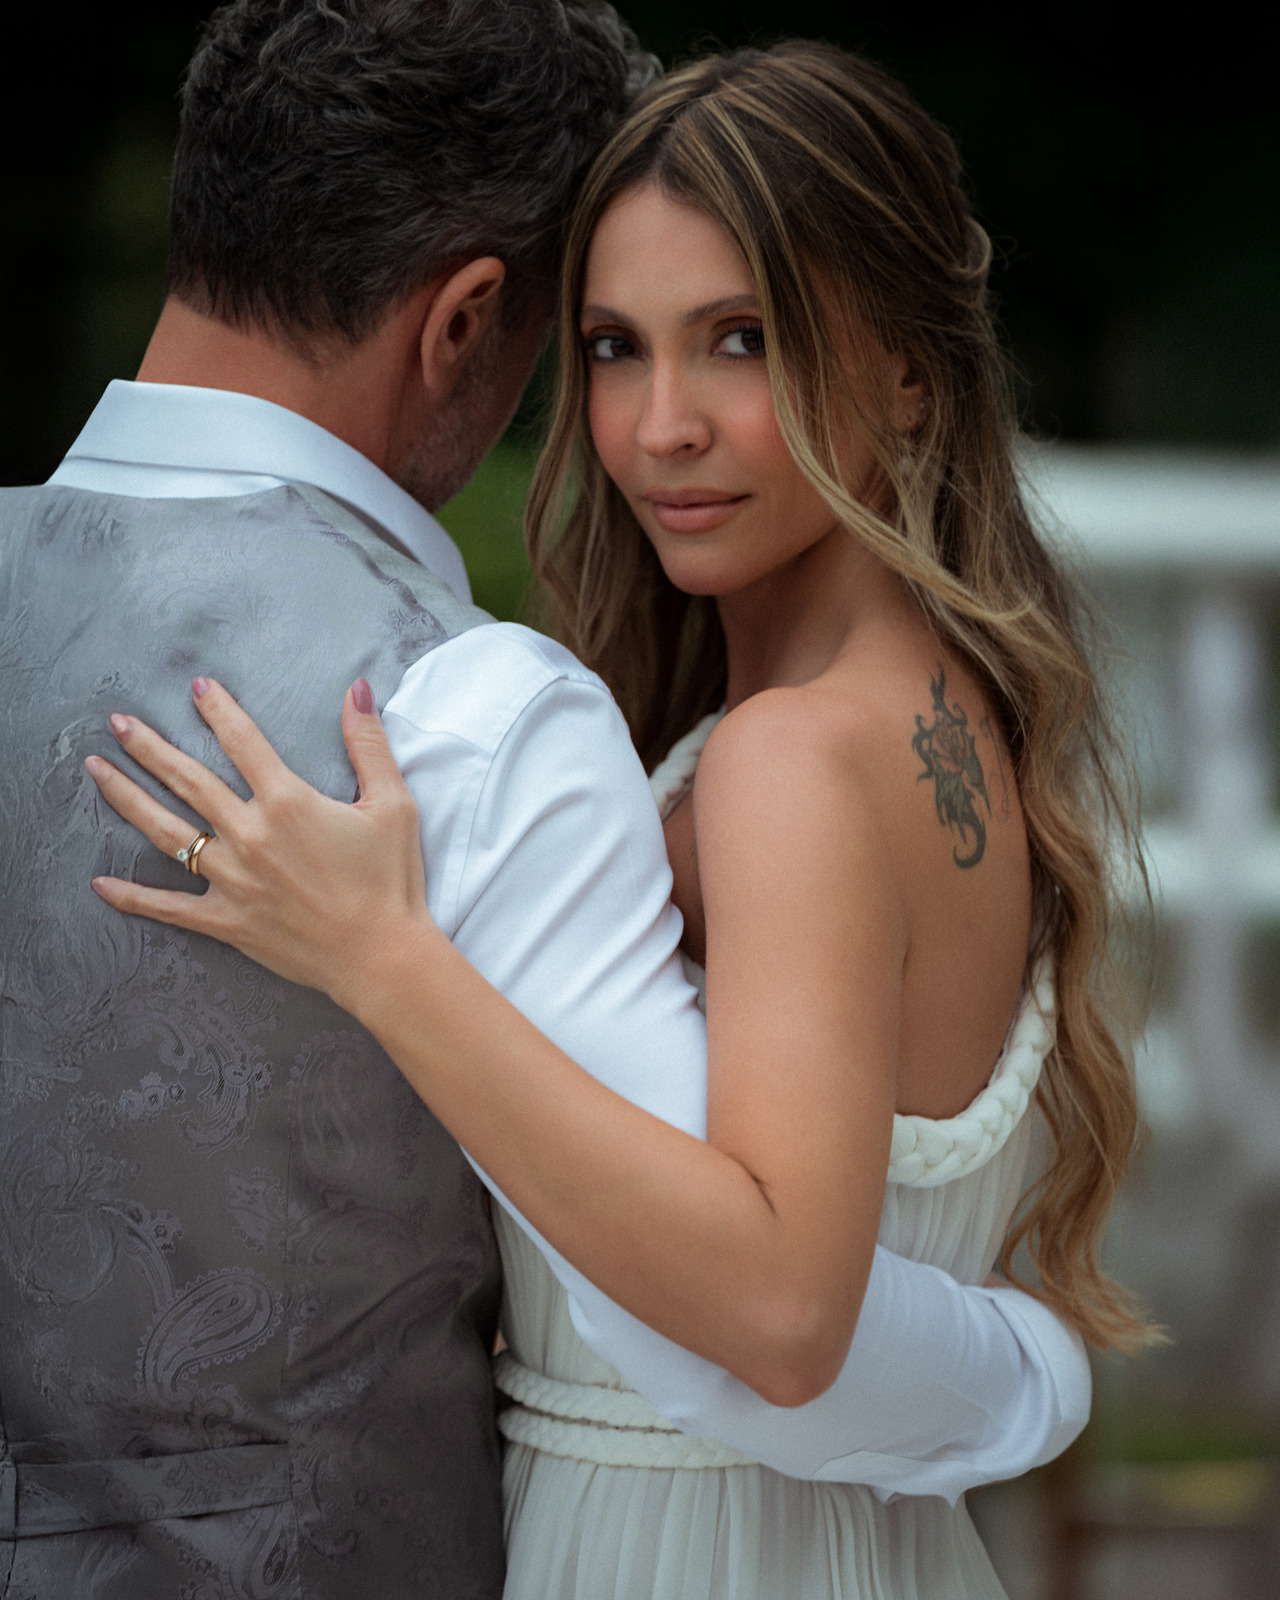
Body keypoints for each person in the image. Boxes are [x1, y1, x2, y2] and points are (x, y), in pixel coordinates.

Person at [83, 40, 1150, 1600]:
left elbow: (788, 1309)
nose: (662, 427)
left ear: (913, 371)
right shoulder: (942, 712)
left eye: (741, 341)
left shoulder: (791, 760)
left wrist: (383, 959)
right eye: (610, 348)